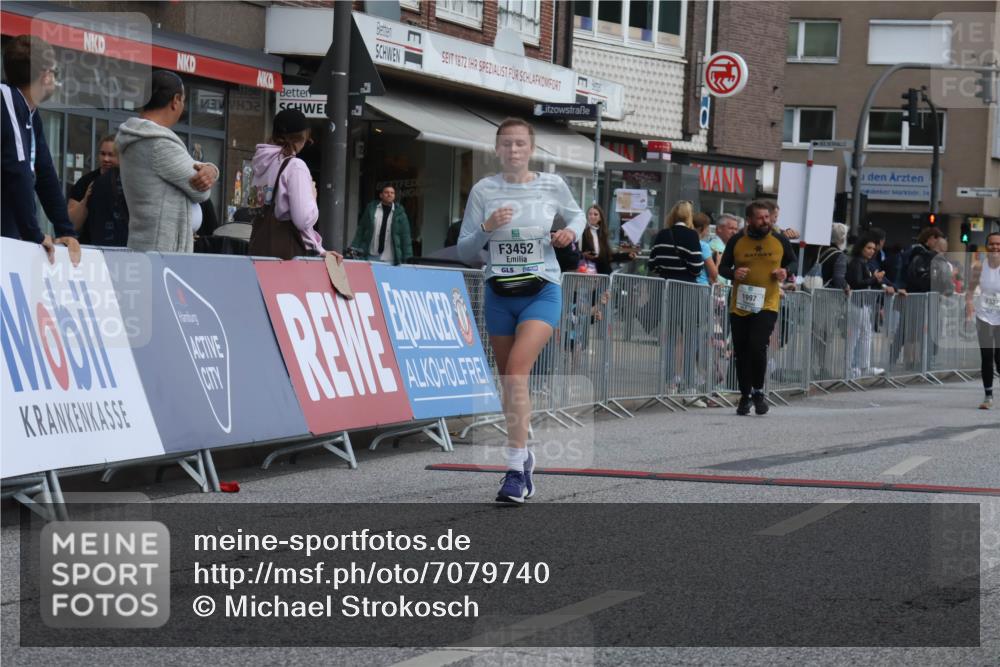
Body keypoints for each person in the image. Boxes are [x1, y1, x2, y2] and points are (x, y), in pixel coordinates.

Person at [457, 117, 584, 504]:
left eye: (520, 144)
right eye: (507, 144)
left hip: (542, 290)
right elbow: (464, 250)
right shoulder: (484, 190)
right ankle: (523, 454)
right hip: (499, 293)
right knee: (509, 382)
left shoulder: (552, 184)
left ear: (531, 149)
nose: (513, 150)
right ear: (497, 149)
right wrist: (486, 227)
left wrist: (570, 233)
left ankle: (514, 471)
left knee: (516, 371)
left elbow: (577, 215)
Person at [117, 70, 219, 253]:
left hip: (146, 244)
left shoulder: (138, 137)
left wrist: (211, 169)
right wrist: (210, 171)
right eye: (184, 100)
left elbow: (193, 169)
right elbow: (201, 192)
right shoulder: (159, 143)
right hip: (163, 251)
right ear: (176, 100)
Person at [1, 35, 80, 264]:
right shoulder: (6, 99)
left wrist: (66, 231)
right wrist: (33, 234)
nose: (55, 78)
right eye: (56, 72)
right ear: (45, 75)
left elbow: (45, 174)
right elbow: (18, 172)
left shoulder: (29, 112)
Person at [717, 200, 797, 415]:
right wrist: (734, 273)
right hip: (740, 304)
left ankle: (759, 392)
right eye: (760, 218)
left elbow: (792, 262)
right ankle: (745, 395)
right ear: (750, 220)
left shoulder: (779, 239)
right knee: (741, 350)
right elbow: (723, 268)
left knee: (757, 345)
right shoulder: (737, 240)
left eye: (767, 217)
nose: (765, 221)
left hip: (767, 303)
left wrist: (785, 272)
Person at [251, 108, 337, 258]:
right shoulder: (295, 166)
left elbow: (253, 206)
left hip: (260, 249)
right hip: (289, 256)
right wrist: (312, 197)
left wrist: (321, 250)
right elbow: (303, 220)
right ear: (302, 137)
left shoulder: (259, 163)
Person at [846, 234, 895, 379]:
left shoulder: (863, 263)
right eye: (868, 248)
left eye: (873, 249)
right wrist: (875, 279)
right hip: (857, 303)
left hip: (863, 303)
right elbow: (857, 283)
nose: (872, 251)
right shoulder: (857, 262)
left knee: (865, 335)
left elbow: (863, 282)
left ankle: (862, 366)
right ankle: (851, 368)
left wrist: (876, 280)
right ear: (861, 248)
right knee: (856, 336)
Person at [70, 135, 130, 246]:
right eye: (102, 154)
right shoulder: (86, 181)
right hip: (91, 246)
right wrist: (85, 200)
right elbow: (72, 224)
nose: (106, 159)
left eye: (111, 155)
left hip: (122, 247)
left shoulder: (130, 182)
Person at [965, 231, 1000, 409]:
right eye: (992, 244)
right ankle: (988, 396)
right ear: (986, 247)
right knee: (986, 355)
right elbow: (970, 290)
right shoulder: (979, 267)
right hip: (984, 316)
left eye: (998, 244)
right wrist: (969, 303)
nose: (995, 247)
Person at [350, 184, 413, 264]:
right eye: (386, 192)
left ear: (394, 196)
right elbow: (361, 230)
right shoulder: (371, 209)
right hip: (371, 255)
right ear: (381, 195)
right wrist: (354, 247)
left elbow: (405, 236)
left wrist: (408, 258)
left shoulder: (400, 213)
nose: (389, 194)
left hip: (390, 258)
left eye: (392, 193)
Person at [649, 201, 704, 282]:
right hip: (684, 285)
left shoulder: (662, 234)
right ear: (689, 216)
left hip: (663, 284)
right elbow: (697, 267)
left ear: (672, 215)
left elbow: (652, 264)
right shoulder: (691, 235)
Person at [580, 203, 635, 275]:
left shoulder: (602, 234)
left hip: (604, 273)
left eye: (595, 214)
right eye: (590, 214)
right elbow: (577, 253)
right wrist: (583, 255)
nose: (592, 216)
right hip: (588, 272)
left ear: (600, 218)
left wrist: (627, 256)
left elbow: (609, 256)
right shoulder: (583, 233)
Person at [904, 227, 945, 293]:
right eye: (937, 241)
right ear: (931, 238)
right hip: (918, 294)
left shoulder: (923, 255)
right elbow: (922, 279)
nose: (939, 244)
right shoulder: (920, 256)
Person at [709, 213, 741, 285]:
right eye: (731, 228)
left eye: (736, 229)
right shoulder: (715, 247)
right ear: (719, 229)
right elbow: (719, 278)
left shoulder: (728, 246)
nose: (734, 232)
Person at [693, 213, 718, 285]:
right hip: (701, 285)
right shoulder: (704, 246)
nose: (708, 231)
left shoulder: (686, 243)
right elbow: (714, 274)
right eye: (707, 228)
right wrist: (718, 261)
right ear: (701, 228)